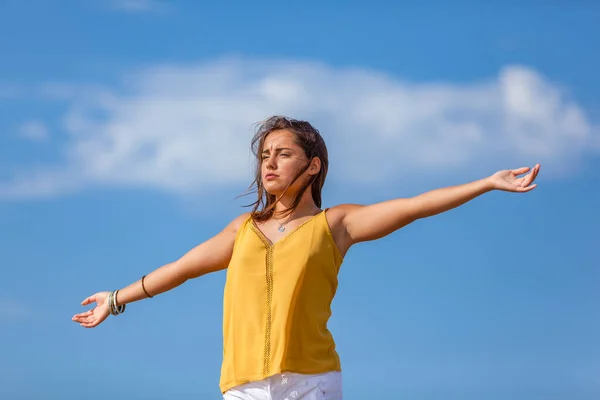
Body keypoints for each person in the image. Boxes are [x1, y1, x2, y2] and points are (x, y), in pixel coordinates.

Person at [72, 116, 540, 399]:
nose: (269, 163)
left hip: (312, 382)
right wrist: (115, 299)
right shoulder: (242, 231)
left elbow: (415, 206)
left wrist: (486, 182)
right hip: (243, 385)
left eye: (283, 154)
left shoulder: (335, 225)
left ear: (312, 165)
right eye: (265, 155)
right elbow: (178, 270)